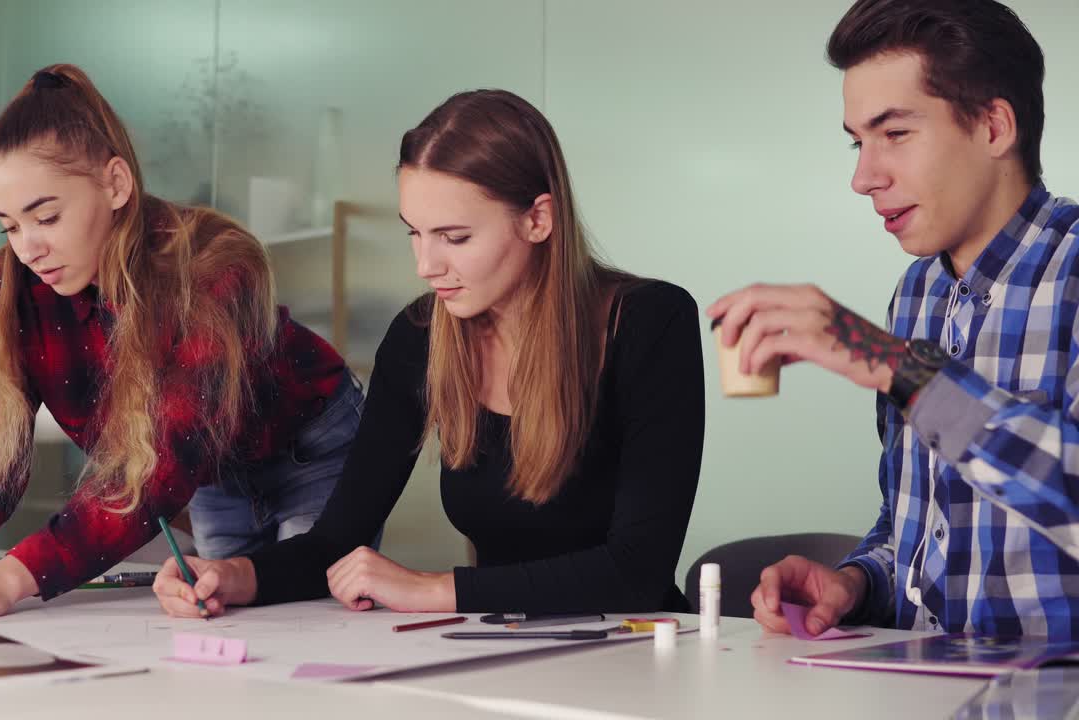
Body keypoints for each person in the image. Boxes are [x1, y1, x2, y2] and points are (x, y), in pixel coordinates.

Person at [153, 89, 705, 617]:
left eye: (454, 237)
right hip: (503, 648)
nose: (426, 265)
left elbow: (635, 571)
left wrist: (431, 589)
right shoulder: (422, 335)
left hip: (636, 655)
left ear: (539, 218)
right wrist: (235, 577)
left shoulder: (648, 324)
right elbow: (335, 542)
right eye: (414, 233)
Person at [0, 64, 361, 622]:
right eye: (10, 227)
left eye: (46, 216)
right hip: (213, 474)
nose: (29, 249)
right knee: (225, 620)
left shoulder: (211, 266)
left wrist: (8, 582)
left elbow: (160, 462)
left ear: (116, 184)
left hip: (311, 446)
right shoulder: (10, 290)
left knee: (306, 611)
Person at [708, 0, 1079, 639]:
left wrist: (891, 364)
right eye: (858, 142)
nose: (862, 176)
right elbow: (916, 520)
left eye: (895, 133)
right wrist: (855, 582)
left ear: (994, 127)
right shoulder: (918, 293)